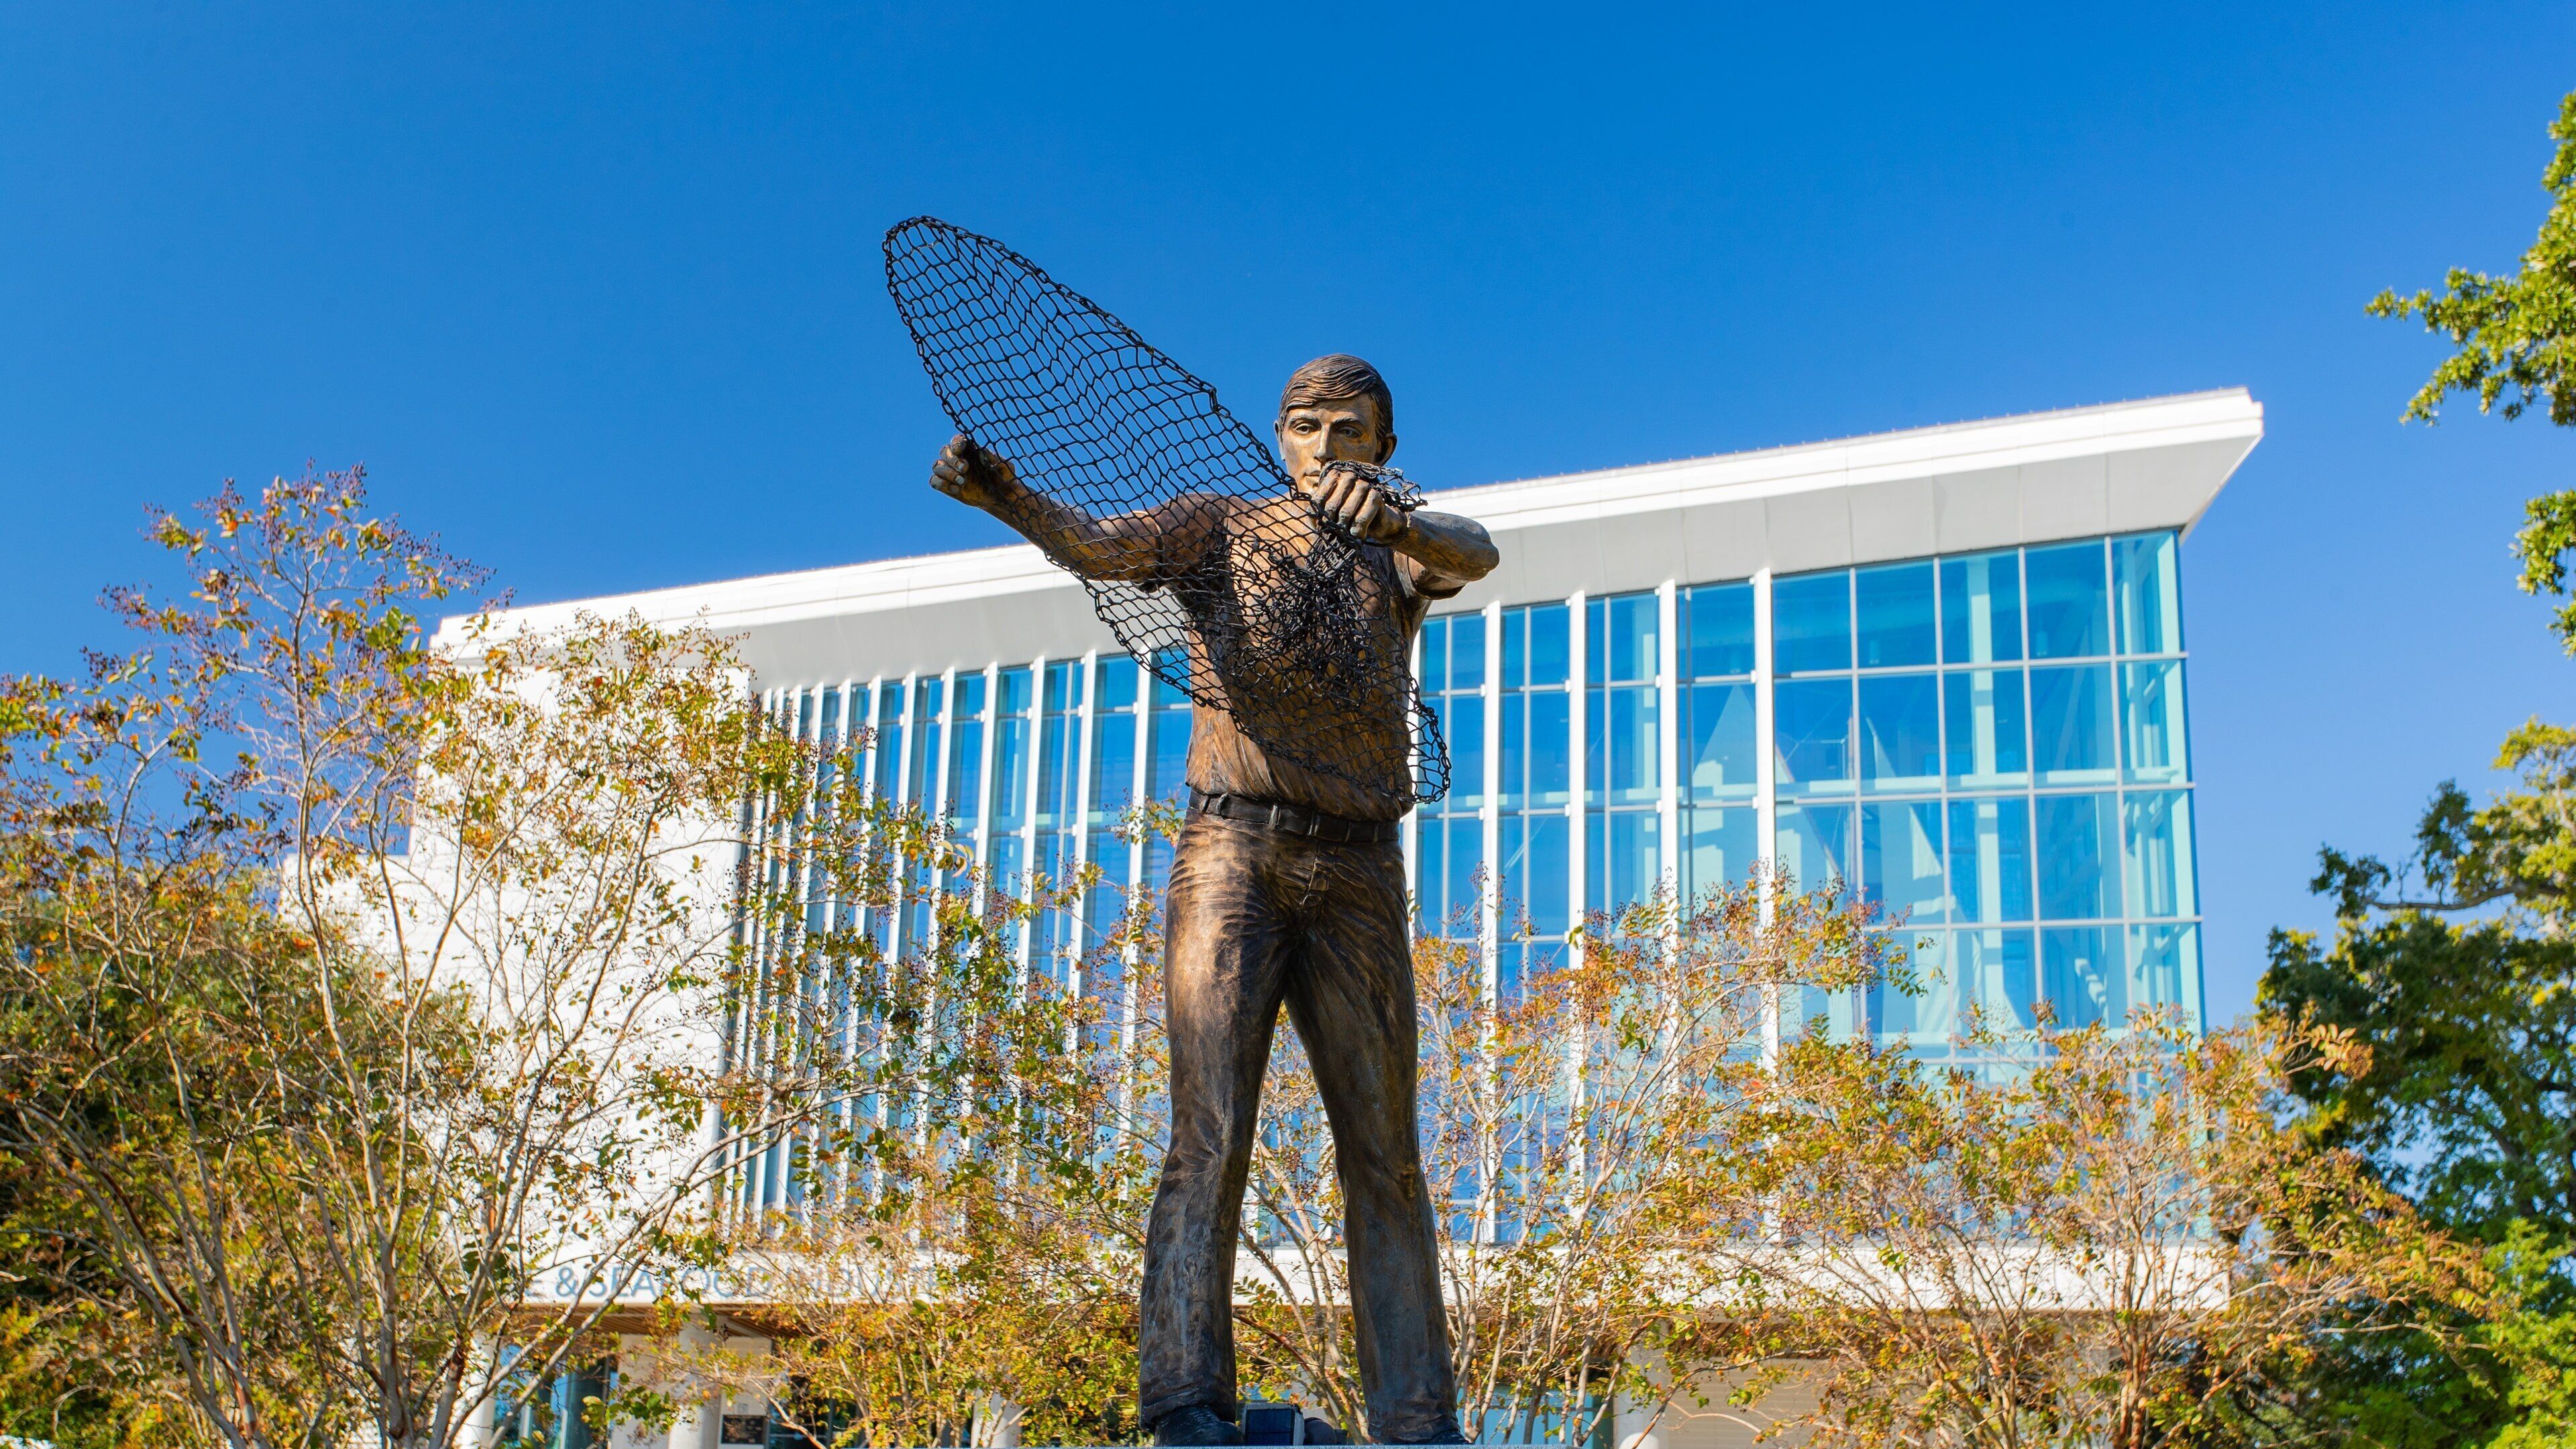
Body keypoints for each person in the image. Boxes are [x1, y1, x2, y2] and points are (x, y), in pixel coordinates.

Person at [928, 354, 1498, 1446]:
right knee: (1208, 1135)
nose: (1323, 445)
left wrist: (1395, 527)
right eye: (1303, 426)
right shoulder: (1219, 526)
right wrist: (1005, 495)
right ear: (1278, 437)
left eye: (1346, 427)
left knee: (1388, 1154)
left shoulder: (1397, 547)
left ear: (1383, 442)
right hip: (1234, 850)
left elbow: (1477, 551)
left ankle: (1419, 1421)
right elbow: (1100, 547)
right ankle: (1185, 1402)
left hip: (1362, 868)